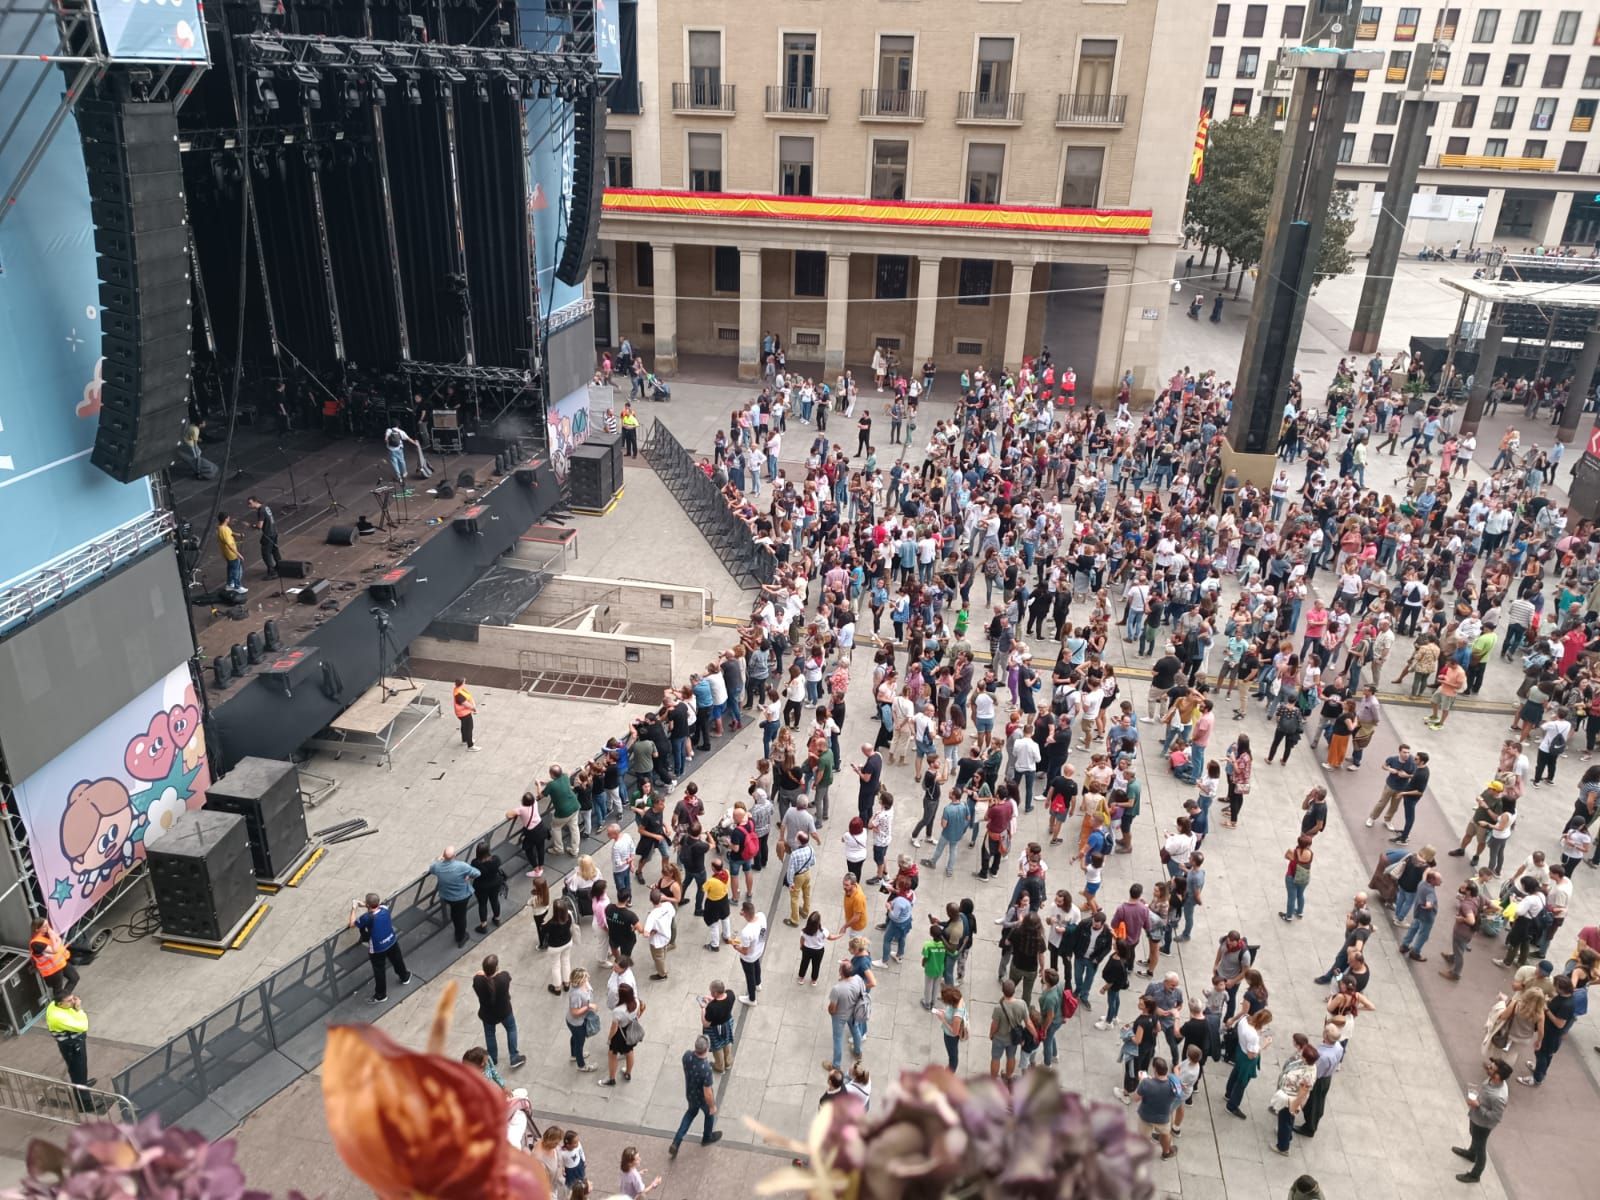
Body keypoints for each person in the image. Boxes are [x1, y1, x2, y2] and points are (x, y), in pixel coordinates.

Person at [1452, 1058, 1511, 1183]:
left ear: (1498, 1076)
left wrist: (1478, 1106)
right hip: (1476, 1117)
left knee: (1480, 1147)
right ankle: (1471, 1154)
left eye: (1491, 1068)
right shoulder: (1492, 1080)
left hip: (1483, 1124)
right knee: (1473, 1134)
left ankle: (1475, 1174)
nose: (1488, 1067)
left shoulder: (1499, 1097)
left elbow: (1496, 1117)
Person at [349, 892, 413, 1003]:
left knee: (379, 970)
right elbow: (375, 905)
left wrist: (354, 908)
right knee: (397, 960)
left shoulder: (367, 917)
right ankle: (404, 976)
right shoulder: (385, 909)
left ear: (368, 905)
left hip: (377, 948)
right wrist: (365, 904)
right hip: (391, 940)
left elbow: (352, 924)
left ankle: (381, 995)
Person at [667, 1036, 723, 1158]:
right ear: (707, 1049)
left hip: (690, 1094)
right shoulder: (706, 1069)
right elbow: (708, 1093)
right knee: (709, 1115)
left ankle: (676, 1142)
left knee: (690, 1114)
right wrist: (712, 1106)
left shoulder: (687, 1056)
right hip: (702, 1098)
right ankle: (707, 1137)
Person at [472, 954, 525, 1069]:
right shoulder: (503, 978)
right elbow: (503, 975)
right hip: (504, 1011)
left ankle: (492, 1059)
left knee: (490, 1034)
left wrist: (481, 974)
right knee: (511, 1029)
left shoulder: (478, 981)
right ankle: (514, 1057)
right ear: (496, 968)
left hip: (487, 1014)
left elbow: (478, 976)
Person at [45, 993, 94, 1111]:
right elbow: (83, 1026)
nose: (73, 1002)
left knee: (80, 1069)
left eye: (73, 999)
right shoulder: (58, 1017)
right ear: (61, 1004)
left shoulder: (54, 1004)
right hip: (72, 1046)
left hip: (74, 1043)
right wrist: (79, 1009)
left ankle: (83, 1084)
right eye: (69, 1001)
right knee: (78, 1070)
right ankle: (85, 1104)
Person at [1223, 1007, 1272, 1116]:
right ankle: (1232, 1106)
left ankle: (1228, 1093)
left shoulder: (1244, 1018)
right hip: (1247, 1059)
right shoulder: (1253, 1036)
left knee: (1235, 1073)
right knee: (1242, 1082)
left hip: (1240, 1050)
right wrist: (1264, 1045)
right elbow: (1252, 1055)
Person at [429, 845, 479, 947]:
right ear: (455, 855)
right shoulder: (462, 866)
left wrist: (438, 860)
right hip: (462, 896)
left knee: (456, 913)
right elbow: (477, 873)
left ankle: (457, 926)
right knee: (461, 916)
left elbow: (431, 869)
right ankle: (461, 937)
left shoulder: (438, 866)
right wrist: (468, 876)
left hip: (447, 896)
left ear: (443, 855)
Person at [1132, 1056, 1181, 1161]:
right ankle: (1166, 1153)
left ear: (1154, 1069)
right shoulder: (1173, 1084)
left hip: (1146, 1117)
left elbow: (1135, 1098)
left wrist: (1141, 1081)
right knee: (1166, 1134)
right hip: (1163, 1118)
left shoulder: (1146, 1084)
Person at [598, 982, 645, 1087]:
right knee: (629, 1051)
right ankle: (628, 1073)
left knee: (612, 1054)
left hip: (621, 1034)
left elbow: (614, 1028)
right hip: (631, 1030)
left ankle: (611, 1079)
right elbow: (639, 1013)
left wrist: (609, 1039)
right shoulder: (636, 1001)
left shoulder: (618, 1011)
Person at [27, 917, 78, 1001]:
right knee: (58, 990)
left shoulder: (46, 934)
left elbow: (58, 940)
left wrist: (54, 938)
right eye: (45, 926)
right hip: (52, 970)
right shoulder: (36, 943)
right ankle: (61, 1002)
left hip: (60, 963)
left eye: (48, 925)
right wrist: (54, 938)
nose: (48, 928)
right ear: (37, 929)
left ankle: (65, 998)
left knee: (74, 978)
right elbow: (54, 950)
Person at [731, 899, 768, 1005]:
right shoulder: (761, 916)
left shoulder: (746, 932)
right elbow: (762, 935)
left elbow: (745, 951)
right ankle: (758, 983)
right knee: (757, 966)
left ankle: (752, 999)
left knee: (749, 976)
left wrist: (736, 947)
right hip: (759, 950)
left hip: (749, 958)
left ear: (745, 913)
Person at [565, 966, 598, 1072]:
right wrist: (588, 1007)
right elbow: (574, 1012)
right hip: (576, 1023)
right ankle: (581, 1065)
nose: (588, 977)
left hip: (580, 1020)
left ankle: (574, 1054)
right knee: (580, 1042)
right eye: (585, 977)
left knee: (575, 1038)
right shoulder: (576, 994)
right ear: (579, 981)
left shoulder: (584, 984)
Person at [470, 840, 505, 933]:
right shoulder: (496, 859)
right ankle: (497, 919)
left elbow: (473, 873)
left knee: (482, 904)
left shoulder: (475, 863)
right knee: (494, 900)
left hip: (481, 886)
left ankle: (484, 925)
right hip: (495, 883)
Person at [246, 495, 281, 578]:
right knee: (274, 550)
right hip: (274, 531)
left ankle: (272, 572)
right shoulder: (265, 507)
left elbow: (259, 526)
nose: (249, 505)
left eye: (250, 503)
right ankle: (280, 566)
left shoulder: (260, 511)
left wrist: (251, 525)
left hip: (268, 534)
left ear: (255, 501)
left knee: (266, 553)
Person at [216, 512, 245, 594]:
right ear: (226, 519)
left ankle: (229, 584)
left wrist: (238, 534)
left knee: (230, 569)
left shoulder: (221, 528)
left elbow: (230, 533)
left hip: (226, 553)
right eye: (228, 518)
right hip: (231, 554)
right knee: (237, 570)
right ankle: (237, 586)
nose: (229, 519)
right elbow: (229, 545)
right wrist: (238, 554)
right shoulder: (224, 530)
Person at [452, 678, 479, 751]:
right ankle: (470, 746)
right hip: (464, 713)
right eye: (464, 682)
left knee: (464, 726)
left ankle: (465, 740)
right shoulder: (458, 694)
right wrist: (474, 708)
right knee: (469, 728)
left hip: (462, 713)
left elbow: (468, 698)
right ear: (462, 683)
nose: (465, 683)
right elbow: (465, 704)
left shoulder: (457, 689)